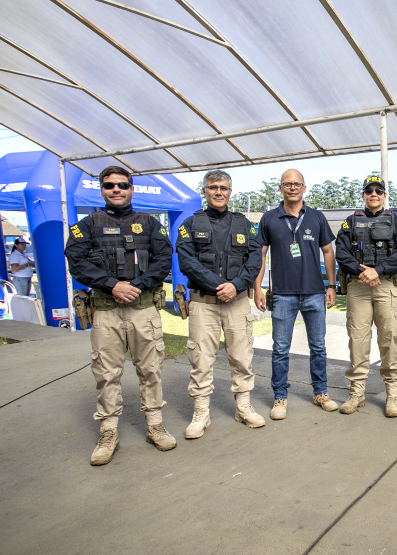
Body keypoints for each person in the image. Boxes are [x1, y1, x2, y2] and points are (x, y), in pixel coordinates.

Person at [65, 165, 176, 465]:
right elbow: (76, 262)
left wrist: (135, 286)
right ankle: (108, 431)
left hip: (143, 308)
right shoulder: (86, 226)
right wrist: (113, 285)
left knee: (150, 369)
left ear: (131, 189)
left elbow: (163, 260)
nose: (117, 190)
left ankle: (155, 424)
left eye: (122, 185)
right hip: (106, 310)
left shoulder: (150, 224)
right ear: (101, 189)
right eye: (110, 185)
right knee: (106, 373)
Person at [176, 170, 265, 439]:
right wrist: (218, 285)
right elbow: (186, 261)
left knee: (241, 356)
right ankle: (201, 412)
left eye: (223, 188)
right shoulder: (190, 224)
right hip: (204, 303)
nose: (218, 192)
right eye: (213, 187)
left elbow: (254, 260)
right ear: (204, 191)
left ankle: (243, 406)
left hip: (237, 302)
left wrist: (236, 286)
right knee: (201, 358)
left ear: (230, 191)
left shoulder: (246, 225)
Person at [253, 169, 339, 420]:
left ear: (304, 188)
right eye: (287, 184)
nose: (292, 188)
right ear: (280, 188)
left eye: (297, 184)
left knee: (318, 347)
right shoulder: (269, 218)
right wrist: (258, 287)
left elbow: (328, 252)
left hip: (314, 292)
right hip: (282, 293)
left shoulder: (316, 217)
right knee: (280, 348)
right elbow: (260, 254)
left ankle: (320, 392)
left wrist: (331, 286)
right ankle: (280, 397)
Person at [335, 176, 397, 417]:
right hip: (358, 286)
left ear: (384, 195)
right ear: (364, 195)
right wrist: (363, 271)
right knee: (358, 340)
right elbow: (342, 254)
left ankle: (392, 396)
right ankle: (357, 394)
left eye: (379, 190)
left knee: (389, 339)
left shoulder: (395, 220)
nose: (374, 194)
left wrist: (377, 270)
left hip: (386, 285)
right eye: (369, 191)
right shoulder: (351, 221)